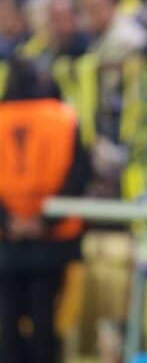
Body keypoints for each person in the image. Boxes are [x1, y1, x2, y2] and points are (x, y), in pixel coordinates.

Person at [0, 56, 90, 363]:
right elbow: (79, 174)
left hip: (6, 240)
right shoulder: (64, 117)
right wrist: (44, 220)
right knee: (45, 320)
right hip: (53, 241)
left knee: (6, 322)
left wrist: (9, 220)